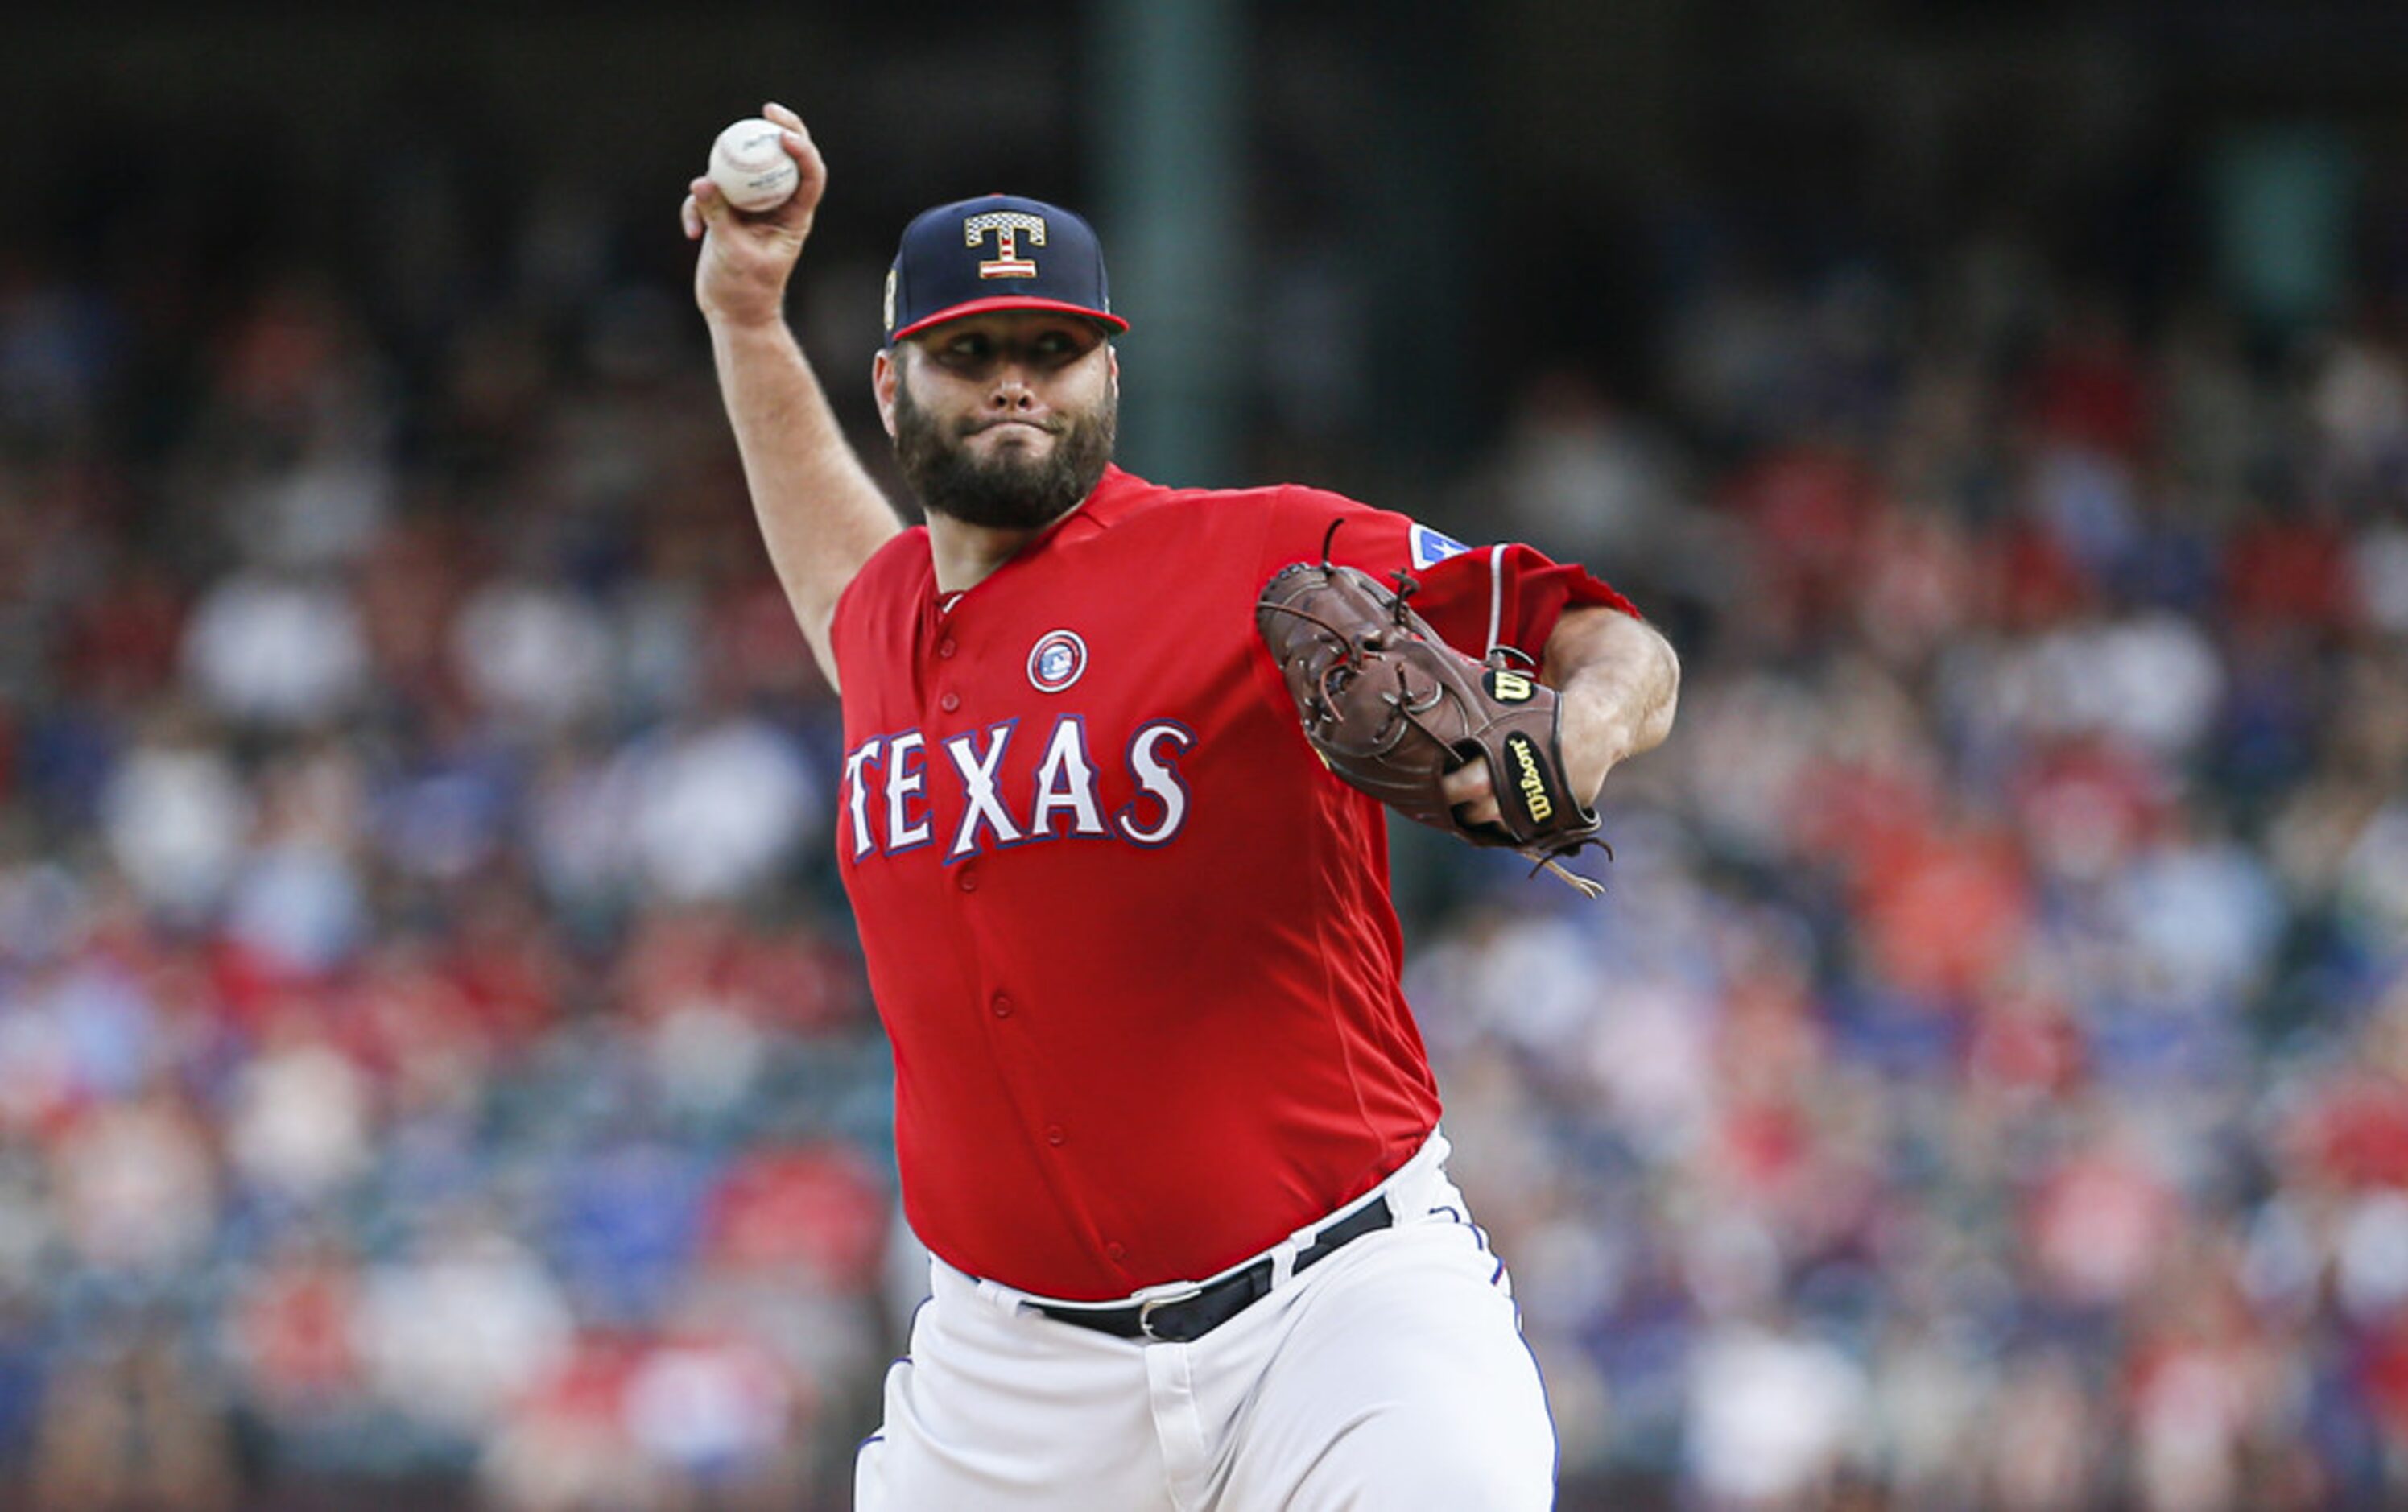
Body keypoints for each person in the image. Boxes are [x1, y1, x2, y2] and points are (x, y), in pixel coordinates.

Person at [681, 101, 1679, 1510]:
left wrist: (1578, 735)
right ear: (895, 388)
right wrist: (744, 318)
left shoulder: (1257, 552)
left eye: (1054, 349)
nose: (1018, 384)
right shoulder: (888, 617)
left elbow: (1615, 637)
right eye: (972, 355)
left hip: (1336, 1314)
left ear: (1109, 376)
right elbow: (836, 568)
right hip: (1003, 1379)